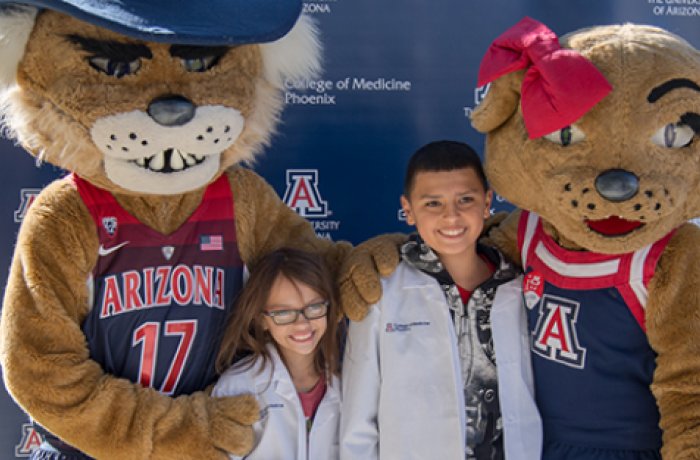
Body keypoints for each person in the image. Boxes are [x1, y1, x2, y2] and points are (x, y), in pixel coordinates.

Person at [340, 140, 541, 460]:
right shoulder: (382, 293)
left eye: (465, 199)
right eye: (433, 203)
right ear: (407, 210)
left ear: (487, 202)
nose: (452, 216)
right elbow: (357, 419)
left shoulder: (518, 287)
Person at [212, 248, 343, 460]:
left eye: (314, 307)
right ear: (261, 319)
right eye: (283, 313)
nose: (302, 323)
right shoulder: (239, 386)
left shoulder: (347, 383)